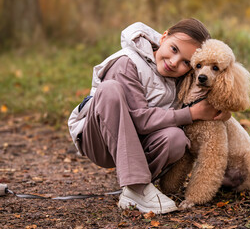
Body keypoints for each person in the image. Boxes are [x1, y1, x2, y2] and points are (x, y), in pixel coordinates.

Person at [68, 18, 231, 214]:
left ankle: (132, 192)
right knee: (109, 89)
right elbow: (140, 119)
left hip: (137, 140)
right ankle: (138, 186)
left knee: (176, 139)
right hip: (98, 137)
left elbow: (202, 91)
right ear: (163, 37)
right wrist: (190, 114)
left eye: (186, 62)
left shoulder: (181, 76)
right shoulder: (126, 62)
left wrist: (222, 108)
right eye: (174, 49)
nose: (174, 62)